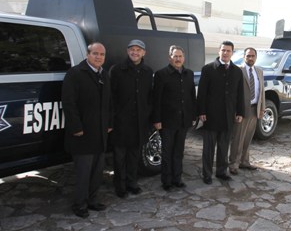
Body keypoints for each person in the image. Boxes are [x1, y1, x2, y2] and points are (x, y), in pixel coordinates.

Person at [62, 42, 112, 218]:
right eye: (95, 53)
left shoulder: (105, 75)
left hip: (100, 133)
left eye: (102, 54)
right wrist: (76, 128)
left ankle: (92, 200)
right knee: (83, 172)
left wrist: (109, 123)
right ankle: (80, 204)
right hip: (82, 134)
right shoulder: (75, 74)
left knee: (97, 172)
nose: (99, 57)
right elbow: (68, 104)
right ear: (87, 54)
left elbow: (109, 102)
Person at [109, 39, 153, 198]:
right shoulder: (116, 70)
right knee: (119, 157)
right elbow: (110, 97)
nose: (135, 52)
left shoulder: (148, 72)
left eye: (138, 50)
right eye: (132, 49)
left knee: (134, 156)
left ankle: (132, 183)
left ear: (144, 53)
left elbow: (149, 97)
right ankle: (120, 185)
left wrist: (147, 115)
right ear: (127, 51)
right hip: (121, 122)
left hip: (139, 122)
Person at [197, 40, 245, 185]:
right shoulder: (208, 69)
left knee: (224, 147)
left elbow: (240, 94)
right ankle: (207, 174)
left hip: (228, 116)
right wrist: (201, 111)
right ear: (219, 51)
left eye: (228, 51)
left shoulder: (237, 71)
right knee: (209, 148)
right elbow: (202, 93)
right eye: (223, 50)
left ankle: (221, 172)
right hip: (210, 116)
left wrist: (240, 112)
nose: (225, 53)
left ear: (232, 53)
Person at [152, 45, 196, 191]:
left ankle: (177, 178)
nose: (178, 59)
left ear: (184, 58)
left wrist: (193, 116)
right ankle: (167, 181)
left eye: (180, 56)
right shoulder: (161, 74)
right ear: (170, 57)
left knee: (179, 151)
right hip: (167, 121)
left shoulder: (189, 74)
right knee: (167, 152)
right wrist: (157, 120)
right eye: (175, 56)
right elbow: (156, 99)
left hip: (183, 121)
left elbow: (191, 96)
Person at [229, 47, 265, 175]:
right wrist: (235, 111)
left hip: (255, 109)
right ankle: (233, 164)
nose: (250, 58)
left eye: (253, 56)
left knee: (248, 138)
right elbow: (234, 93)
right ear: (244, 56)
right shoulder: (238, 70)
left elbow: (262, 91)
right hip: (242, 110)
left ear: (256, 57)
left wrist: (262, 108)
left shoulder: (259, 71)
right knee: (238, 138)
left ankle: (244, 162)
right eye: (248, 56)